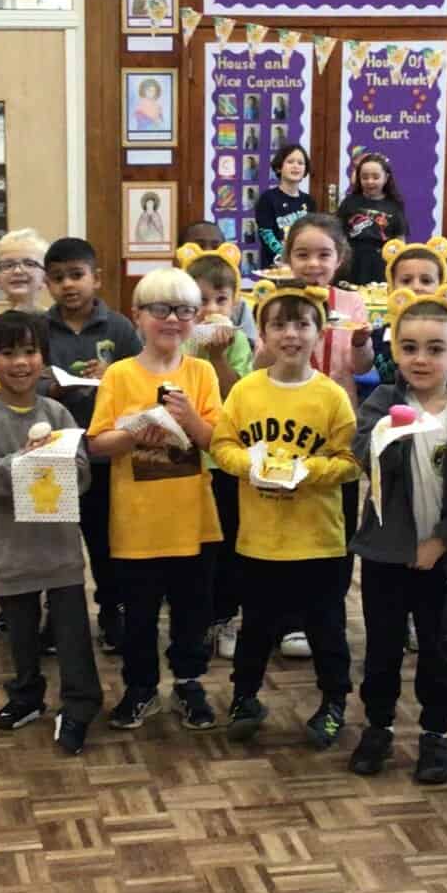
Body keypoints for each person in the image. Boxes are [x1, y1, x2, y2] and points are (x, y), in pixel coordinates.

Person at [350, 286, 447, 781]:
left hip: (443, 558)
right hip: (386, 555)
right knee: (382, 647)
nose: (421, 359)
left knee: (437, 648)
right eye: (409, 347)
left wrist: (442, 541)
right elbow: (361, 455)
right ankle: (378, 726)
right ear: (393, 351)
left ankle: (436, 732)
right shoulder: (382, 402)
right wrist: (389, 435)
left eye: (435, 349)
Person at [210, 283, 361, 747]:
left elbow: (351, 461)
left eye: (301, 324)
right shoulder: (246, 391)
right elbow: (222, 445)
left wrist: (305, 471)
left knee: (326, 628)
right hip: (259, 538)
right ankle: (244, 698)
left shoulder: (331, 396)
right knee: (256, 626)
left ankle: (333, 702)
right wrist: (250, 467)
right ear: (263, 333)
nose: (290, 334)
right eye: (278, 324)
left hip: (318, 539)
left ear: (319, 332)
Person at [87, 267, 223, 731]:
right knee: (139, 616)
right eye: (160, 309)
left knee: (192, 611)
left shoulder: (201, 372)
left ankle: (188, 682)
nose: (172, 319)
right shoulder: (120, 375)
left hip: (194, 522)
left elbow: (215, 441)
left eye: (184, 310)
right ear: (137, 316)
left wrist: (188, 419)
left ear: (196, 318)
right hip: (137, 524)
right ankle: (141, 687)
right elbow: (97, 443)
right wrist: (133, 433)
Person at [0, 311, 101, 754]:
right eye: (7, 353)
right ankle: (26, 695)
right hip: (11, 549)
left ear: (43, 358)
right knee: (20, 634)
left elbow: (82, 474)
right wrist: (23, 460)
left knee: (72, 635)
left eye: (29, 351)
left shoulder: (57, 412)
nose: (20, 362)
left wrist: (56, 460)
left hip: (59, 548)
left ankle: (79, 705)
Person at [259, 214, 375, 649]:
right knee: (288, 516)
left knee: (337, 520)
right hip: (286, 426)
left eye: (323, 254)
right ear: (287, 258)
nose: (313, 264)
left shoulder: (352, 302)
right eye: (302, 254)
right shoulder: (276, 302)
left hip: (338, 423)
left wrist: (362, 342)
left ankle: (328, 611)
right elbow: (258, 364)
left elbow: (361, 368)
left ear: (339, 258)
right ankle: (288, 617)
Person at [44, 236, 143, 650]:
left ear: (96, 278)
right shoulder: (40, 328)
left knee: (105, 543)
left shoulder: (118, 327)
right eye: (58, 278)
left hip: (105, 456)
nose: (68, 284)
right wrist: (55, 389)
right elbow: (29, 380)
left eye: (76, 275)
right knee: (57, 543)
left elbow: (141, 378)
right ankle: (58, 618)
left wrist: (112, 378)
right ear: (47, 284)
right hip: (55, 454)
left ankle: (111, 611)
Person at [181, 245, 257, 660]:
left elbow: (235, 395)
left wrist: (217, 355)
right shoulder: (178, 342)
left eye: (220, 300)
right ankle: (194, 618)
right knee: (194, 545)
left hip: (225, 461)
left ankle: (225, 617)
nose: (210, 310)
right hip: (186, 461)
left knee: (227, 542)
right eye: (200, 301)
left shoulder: (239, 342)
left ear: (235, 303)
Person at [370, 237, 447, 386]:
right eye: (406, 281)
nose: (416, 287)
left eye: (426, 281)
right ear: (392, 287)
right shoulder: (380, 334)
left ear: (441, 285)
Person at [335, 152, 406, 286]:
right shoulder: (349, 202)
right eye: (365, 177)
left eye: (375, 177)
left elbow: (400, 239)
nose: (370, 181)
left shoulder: (394, 206)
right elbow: (338, 234)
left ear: (386, 178)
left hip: (381, 263)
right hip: (352, 262)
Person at [252, 143, 316, 267]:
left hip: (302, 265)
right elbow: (266, 234)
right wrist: (285, 256)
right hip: (275, 266)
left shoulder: (309, 201)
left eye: (300, 163)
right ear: (279, 168)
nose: (296, 166)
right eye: (290, 162)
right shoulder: (267, 199)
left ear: (305, 170)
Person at [0, 229, 49, 312]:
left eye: (29, 264)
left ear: (45, 278)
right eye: (8, 265)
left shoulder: (57, 320)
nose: (17, 271)